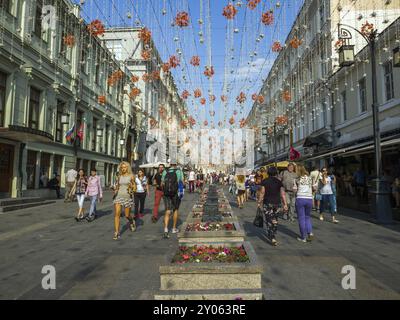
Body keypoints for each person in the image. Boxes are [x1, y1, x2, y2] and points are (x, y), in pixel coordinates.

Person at [258, 167, 288, 246]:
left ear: (268, 173)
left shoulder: (264, 181)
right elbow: (282, 193)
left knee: (269, 219)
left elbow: (262, 192)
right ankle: (273, 230)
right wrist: (285, 204)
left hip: (268, 203)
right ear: (276, 173)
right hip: (277, 203)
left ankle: (272, 237)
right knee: (275, 218)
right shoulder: (279, 182)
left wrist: (259, 201)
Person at [112, 162, 137, 240]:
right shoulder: (119, 176)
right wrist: (114, 189)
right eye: (122, 167)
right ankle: (116, 232)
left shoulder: (131, 176)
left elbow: (134, 187)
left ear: (128, 168)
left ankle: (132, 221)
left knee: (127, 215)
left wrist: (132, 187)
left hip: (127, 197)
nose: (123, 169)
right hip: (119, 196)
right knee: (117, 214)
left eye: (125, 167)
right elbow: (117, 186)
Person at [161, 161, 184, 238]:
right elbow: (181, 182)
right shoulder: (179, 171)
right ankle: (174, 228)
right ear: (176, 164)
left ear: (170, 164)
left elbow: (162, 183)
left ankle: (166, 229)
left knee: (167, 210)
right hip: (175, 193)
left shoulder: (165, 171)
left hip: (166, 193)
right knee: (175, 210)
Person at [293, 165, 315, 243]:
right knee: (307, 217)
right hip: (309, 199)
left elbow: (295, 190)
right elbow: (314, 188)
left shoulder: (296, 179)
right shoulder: (310, 178)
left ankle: (303, 237)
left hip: (300, 198)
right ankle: (310, 232)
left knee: (301, 218)